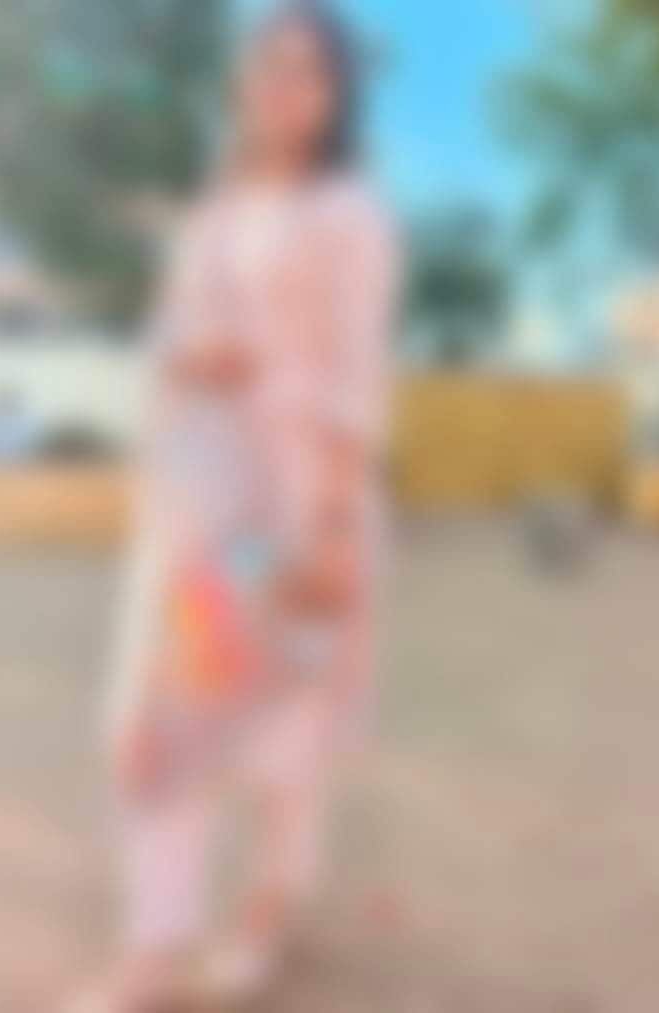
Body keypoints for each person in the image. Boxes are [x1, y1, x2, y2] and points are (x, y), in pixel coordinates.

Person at [71, 3, 399, 1009]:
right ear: (243, 81)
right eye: (268, 64)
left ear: (335, 97)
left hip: (296, 509)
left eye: (308, 71)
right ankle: (155, 947)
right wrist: (191, 358)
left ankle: (266, 909)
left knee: (284, 724)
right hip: (206, 513)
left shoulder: (349, 214)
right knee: (168, 719)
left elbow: (356, 375)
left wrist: (333, 531)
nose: (282, 85)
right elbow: (165, 344)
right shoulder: (210, 216)